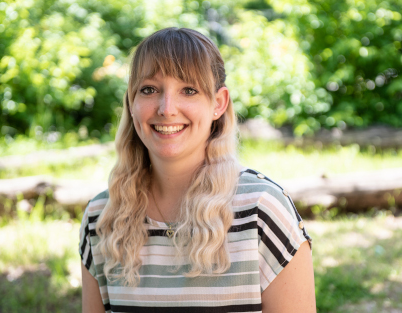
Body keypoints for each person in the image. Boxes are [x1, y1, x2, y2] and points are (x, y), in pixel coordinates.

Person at [79, 27, 315, 313]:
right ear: (131, 102)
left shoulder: (263, 212)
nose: (167, 108)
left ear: (218, 103)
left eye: (188, 90)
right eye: (149, 89)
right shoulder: (101, 218)